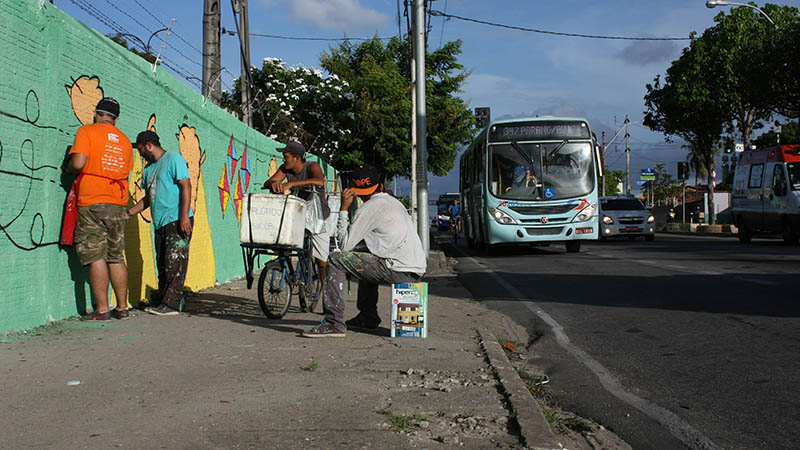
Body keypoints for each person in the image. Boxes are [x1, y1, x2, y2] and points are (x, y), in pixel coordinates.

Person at [303, 164, 426, 338]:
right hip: (415, 269)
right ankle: (368, 317)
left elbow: (344, 246)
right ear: (381, 187)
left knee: (336, 259)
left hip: (396, 268)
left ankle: (333, 323)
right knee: (365, 260)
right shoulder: (393, 202)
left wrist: (344, 209)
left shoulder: (370, 207)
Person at [68, 97, 133, 321]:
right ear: (116, 118)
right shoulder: (125, 141)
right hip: (117, 202)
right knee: (116, 256)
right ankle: (123, 307)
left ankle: (102, 309)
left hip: (92, 201)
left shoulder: (86, 131)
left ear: (97, 113)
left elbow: (78, 163)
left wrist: (70, 167)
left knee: (96, 255)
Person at [127, 131, 194, 316]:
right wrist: (128, 214)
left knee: (175, 262)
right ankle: (167, 301)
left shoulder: (173, 159)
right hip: (160, 223)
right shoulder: (149, 170)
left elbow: (186, 186)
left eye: (140, 149)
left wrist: (184, 217)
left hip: (177, 219)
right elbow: (148, 199)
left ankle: (171, 305)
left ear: (149, 145)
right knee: (163, 262)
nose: (140, 154)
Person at [262, 141, 331, 282]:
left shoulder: (312, 166)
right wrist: (273, 183)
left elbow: (319, 181)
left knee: (322, 261)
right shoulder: (285, 168)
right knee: (284, 243)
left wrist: (291, 183)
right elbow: (268, 182)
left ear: (297, 158)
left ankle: (325, 288)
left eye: (286, 156)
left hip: (319, 217)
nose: (283, 159)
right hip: (298, 213)